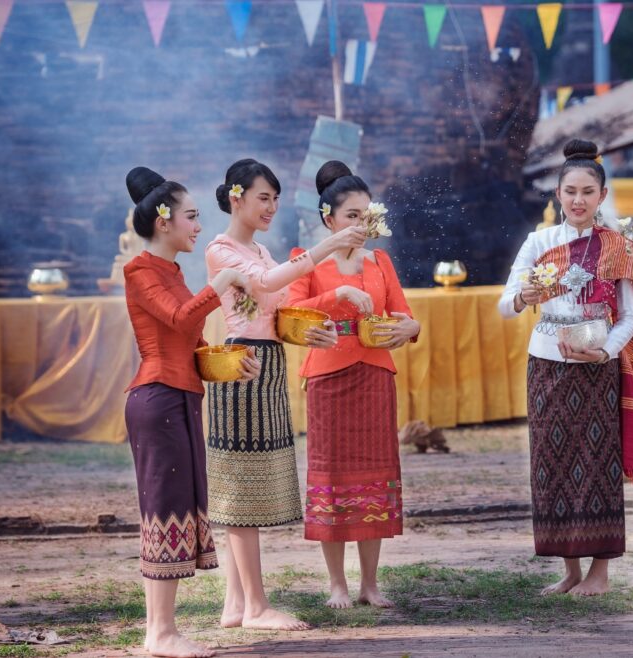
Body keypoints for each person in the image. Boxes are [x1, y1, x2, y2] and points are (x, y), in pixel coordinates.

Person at [204, 159, 367, 630]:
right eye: (263, 197)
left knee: (250, 487)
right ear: (237, 198)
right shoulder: (222, 249)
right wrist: (327, 248)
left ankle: (237, 605)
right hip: (244, 366)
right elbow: (265, 286)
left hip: (267, 364)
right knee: (242, 490)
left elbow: (281, 305)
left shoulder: (259, 248)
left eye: (275, 198)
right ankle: (254, 606)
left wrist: (319, 318)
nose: (271, 207)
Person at [498, 139, 633, 597]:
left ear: (602, 196)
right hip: (546, 364)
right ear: (558, 194)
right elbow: (506, 306)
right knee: (554, 462)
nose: (578, 200)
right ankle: (569, 569)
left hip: (595, 369)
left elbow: (629, 317)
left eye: (588, 192)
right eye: (570, 191)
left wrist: (605, 352)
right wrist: (524, 297)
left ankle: (599, 573)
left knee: (597, 463)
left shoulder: (617, 247)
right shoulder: (539, 241)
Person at [123, 166, 260, 658]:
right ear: (164, 222)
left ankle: (164, 630)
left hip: (179, 398)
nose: (198, 226)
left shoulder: (174, 273)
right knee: (163, 512)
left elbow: (191, 341)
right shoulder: (139, 270)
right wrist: (222, 282)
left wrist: (227, 366)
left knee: (178, 510)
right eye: (192, 216)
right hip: (156, 399)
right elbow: (180, 318)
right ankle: (159, 634)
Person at [287, 160, 420, 609]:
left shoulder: (380, 261)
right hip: (328, 378)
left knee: (374, 477)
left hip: (375, 375)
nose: (362, 225)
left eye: (367, 215)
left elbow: (403, 312)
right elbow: (292, 314)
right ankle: (336, 584)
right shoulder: (306, 261)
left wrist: (411, 327)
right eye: (351, 216)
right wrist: (338, 295)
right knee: (333, 478)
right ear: (329, 219)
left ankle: (370, 583)